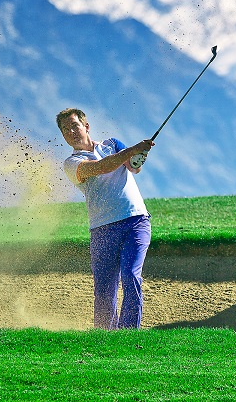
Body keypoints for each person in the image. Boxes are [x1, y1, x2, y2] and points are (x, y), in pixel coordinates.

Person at [57, 107, 155, 329]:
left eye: (74, 125)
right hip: (102, 229)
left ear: (86, 126)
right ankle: (105, 336)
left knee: (130, 275)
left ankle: (129, 334)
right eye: (65, 129)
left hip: (135, 220)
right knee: (104, 289)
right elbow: (102, 167)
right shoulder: (71, 163)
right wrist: (133, 149)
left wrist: (138, 157)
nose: (71, 131)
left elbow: (133, 167)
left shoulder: (112, 144)